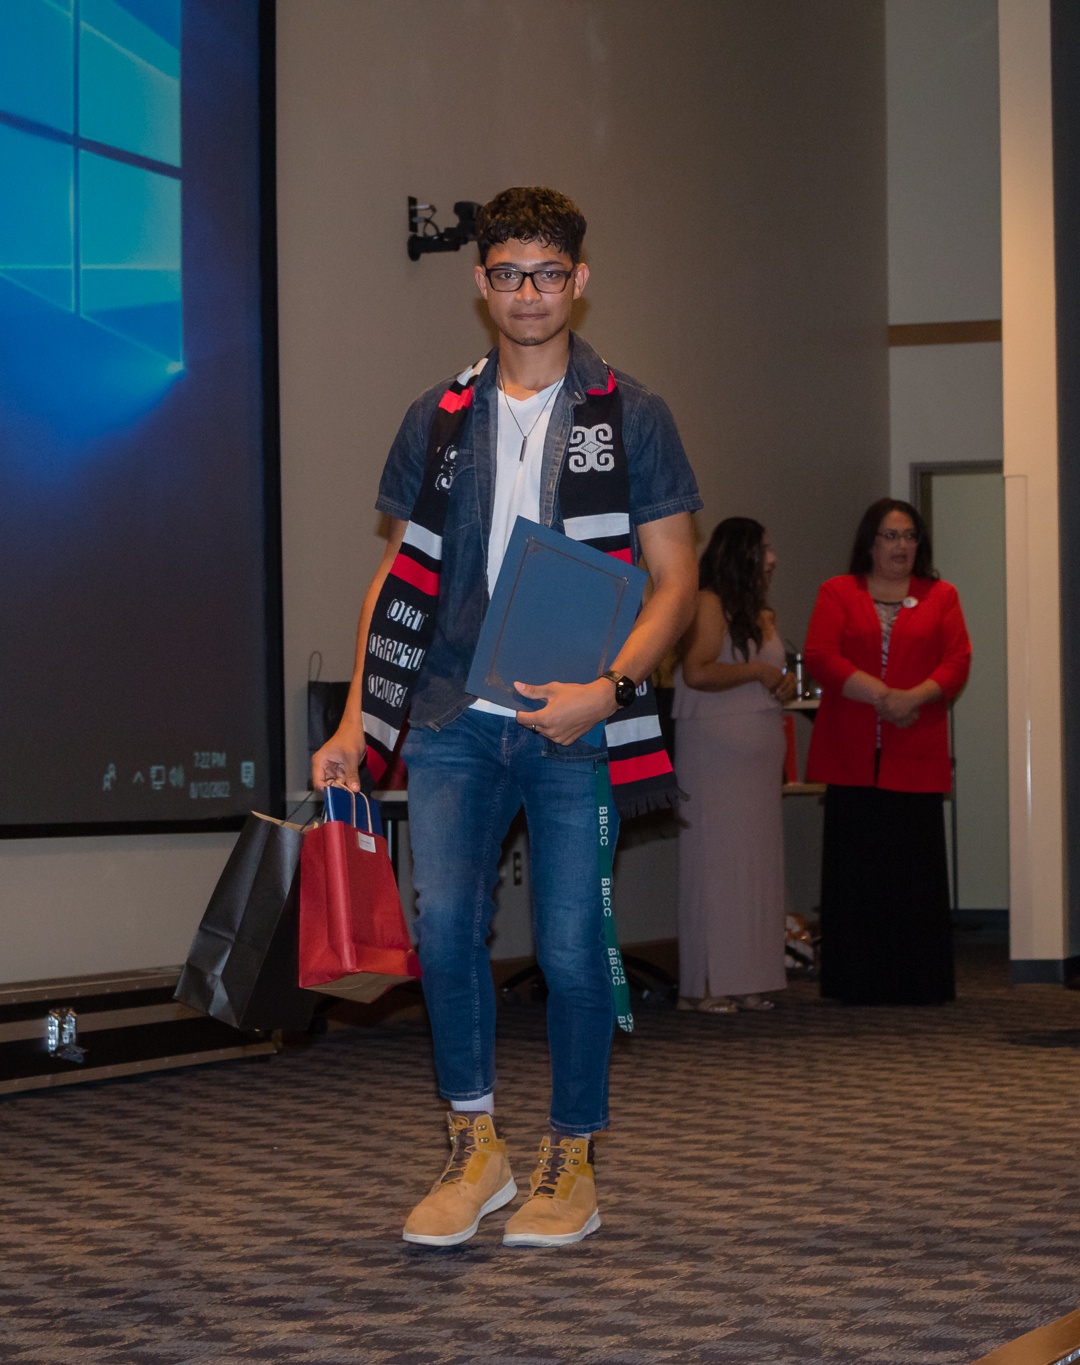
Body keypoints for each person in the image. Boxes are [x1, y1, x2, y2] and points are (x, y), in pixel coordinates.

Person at [312, 187, 700, 1249]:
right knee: (443, 930)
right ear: (478, 284)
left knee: (573, 951)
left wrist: (606, 692)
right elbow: (397, 572)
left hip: (575, 722)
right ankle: (472, 1147)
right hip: (448, 715)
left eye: (546, 273)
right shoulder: (436, 417)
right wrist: (357, 721)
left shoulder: (632, 414)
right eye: (505, 274)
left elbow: (675, 581)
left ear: (577, 281)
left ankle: (569, 1159)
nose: (526, 294)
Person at [802, 498, 971, 1006]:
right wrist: (880, 696)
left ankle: (918, 982)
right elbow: (820, 656)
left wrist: (912, 699)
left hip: (914, 750)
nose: (902, 546)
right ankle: (856, 981)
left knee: (913, 875)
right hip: (852, 753)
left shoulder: (942, 595)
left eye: (910, 536)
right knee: (856, 874)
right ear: (870, 543)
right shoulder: (837, 591)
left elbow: (957, 661)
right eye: (891, 536)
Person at [672, 517, 796, 1014]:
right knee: (718, 863)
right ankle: (705, 984)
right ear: (739, 554)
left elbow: (769, 673)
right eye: (763, 548)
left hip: (759, 750)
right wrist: (763, 672)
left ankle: (748, 976)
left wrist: (783, 682)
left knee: (756, 867)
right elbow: (697, 671)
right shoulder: (706, 603)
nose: (772, 557)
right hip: (714, 755)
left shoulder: (762, 614)